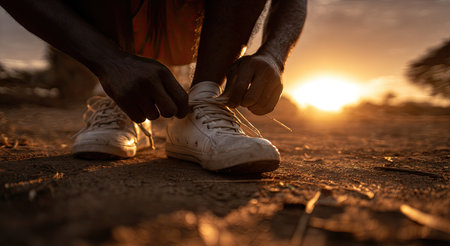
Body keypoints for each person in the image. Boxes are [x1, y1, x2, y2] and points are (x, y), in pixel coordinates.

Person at [0, 0, 306, 173]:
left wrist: (273, 54)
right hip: (114, 26)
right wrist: (110, 61)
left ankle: (202, 99)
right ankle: (121, 100)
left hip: (199, 24)